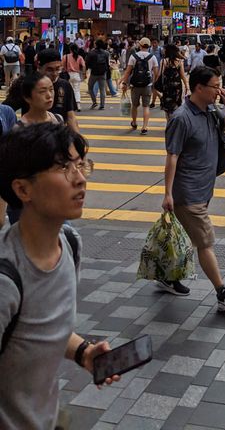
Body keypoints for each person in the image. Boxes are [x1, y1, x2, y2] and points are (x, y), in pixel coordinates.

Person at [0, 123, 117, 429]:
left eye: (81, 165)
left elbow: (37, 331)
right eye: (64, 168)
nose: (80, 179)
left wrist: (85, 353)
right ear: (23, 189)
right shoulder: (5, 280)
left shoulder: (70, 242)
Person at [162, 66, 225, 310]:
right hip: (188, 192)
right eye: (215, 87)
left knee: (186, 237)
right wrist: (168, 193)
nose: (219, 91)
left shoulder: (210, 110)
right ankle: (222, 293)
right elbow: (172, 156)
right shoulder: (181, 118)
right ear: (199, 87)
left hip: (204, 186)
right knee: (205, 241)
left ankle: (167, 276)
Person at [120, 37, 159, 135]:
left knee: (135, 105)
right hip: (147, 85)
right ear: (149, 45)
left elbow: (128, 72)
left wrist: (124, 83)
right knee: (146, 106)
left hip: (135, 85)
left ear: (140, 45)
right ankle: (145, 127)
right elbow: (156, 73)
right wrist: (154, 83)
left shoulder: (133, 56)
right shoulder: (152, 57)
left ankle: (134, 122)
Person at [157, 44, 189, 120]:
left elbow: (159, 75)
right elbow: (182, 76)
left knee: (167, 108)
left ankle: (169, 124)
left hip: (167, 88)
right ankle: (175, 123)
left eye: (165, 49)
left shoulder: (164, 61)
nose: (163, 51)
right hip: (177, 88)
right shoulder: (179, 62)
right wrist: (187, 86)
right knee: (176, 106)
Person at [85, 39, 110, 110]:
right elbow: (107, 64)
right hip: (103, 73)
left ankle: (94, 101)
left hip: (94, 73)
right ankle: (102, 105)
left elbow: (87, 63)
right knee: (102, 89)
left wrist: (86, 71)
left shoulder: (91, 53)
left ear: (96, 45)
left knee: (90, 87)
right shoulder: (106, 53)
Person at [62, 43, 86, 111]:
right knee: (77, 90)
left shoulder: (65, 56)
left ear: (70, 49)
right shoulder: (79, 57)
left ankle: (71, 106)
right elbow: (84, 65)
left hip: (68, 75)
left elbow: (62, 66)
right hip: (76, 74)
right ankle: (78, 105)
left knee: (69, 90)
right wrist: (84, 74)